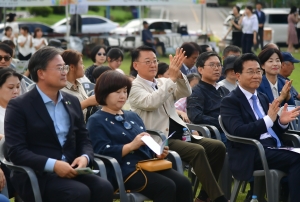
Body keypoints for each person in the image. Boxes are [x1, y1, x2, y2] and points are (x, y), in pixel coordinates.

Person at [4, 46, 114, 202]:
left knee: (104, 187)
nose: (65, 72)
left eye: (65, 67)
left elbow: (84, 139)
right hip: (38, 174)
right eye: (59, 68)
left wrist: (84, 157)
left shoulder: (72, 101)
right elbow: (16, 151)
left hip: (72, 169)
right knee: (78, 192)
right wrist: (53, 165)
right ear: (41, 73)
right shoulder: (19, 106)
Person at [128, 46, 227, 202]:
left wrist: (179, 73)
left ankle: (203, 197)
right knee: (197, 150)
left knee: (217, 147)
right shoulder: (134, 87)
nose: (153, 65)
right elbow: (152, 102)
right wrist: (171, 79)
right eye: (147, 62)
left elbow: (186, 92)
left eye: (155, 61)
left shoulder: (161, 82)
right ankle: (218, 198)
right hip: (159, 139)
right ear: (135, 65)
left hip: (181, 134)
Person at [87, 70, 193, 202]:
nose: (122, 96)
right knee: (166, 186)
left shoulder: (132, 116)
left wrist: (157, 153)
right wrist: (131, 146)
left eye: (125, 91)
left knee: (184, 184)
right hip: (122, 170)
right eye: (117, 92)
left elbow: (144, 145)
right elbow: (100, 151)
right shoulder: (96, 120)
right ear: (104, 93)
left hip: (146, 164)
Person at [220, 53, 300, 202]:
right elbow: (239, 131)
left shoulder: (261, 97)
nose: (256, 75)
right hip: (252, 151)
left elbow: (271, 128)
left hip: (273, 148)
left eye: (258, 71)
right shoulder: (230, 101)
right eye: (250, 72)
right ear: (238, 75)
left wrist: (281, 122)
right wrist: (269, 119)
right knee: (297, 159)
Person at [187, 52, 230, 145]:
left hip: (232, 129)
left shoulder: (224, 90)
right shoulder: (196, 92)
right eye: (212, 65)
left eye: (219, 65)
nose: (216, 68)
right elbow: (196, 116)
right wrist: (222, 122)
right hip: (215, 134)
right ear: (200, 69)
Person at [0, 67, 22, 200]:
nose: (16, 91)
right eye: (11, 87)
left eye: (18, 87)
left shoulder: (23, 108)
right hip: (4, 158)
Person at [61, 50, 98, 121]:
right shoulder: (60, 89)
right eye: (81, 63)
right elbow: (65, 113)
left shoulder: (78, 84)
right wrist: (88, 102)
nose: (83, 66)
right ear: (72, 67)